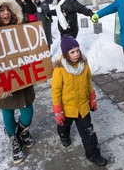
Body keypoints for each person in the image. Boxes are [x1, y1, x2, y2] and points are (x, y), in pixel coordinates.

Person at [0, 0, 35, 164]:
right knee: (8, 113)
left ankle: (22, 131)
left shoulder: (22, 29)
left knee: (27, 112)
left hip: (23, 78)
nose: (5, 13)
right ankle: (14, 140)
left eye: (8, 10)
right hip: (4, 82)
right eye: (1, 11)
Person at [51, 35, 108, 167]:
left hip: (82, 107)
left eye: (77, 50)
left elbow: (88, 81)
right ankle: (64, 135)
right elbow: (55, 91)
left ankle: (93, 154)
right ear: (66, 54)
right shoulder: (60, 70)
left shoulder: (84, 65)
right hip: (67, 108)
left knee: (88, 133)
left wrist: (92, 98)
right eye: (72, 52)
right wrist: (58, 110)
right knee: (63, 127)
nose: (76, 54)